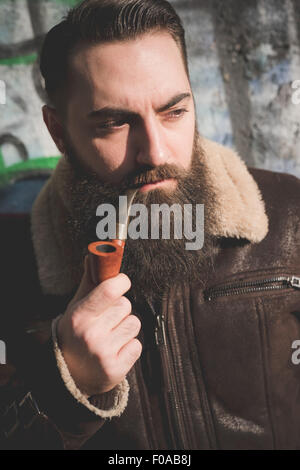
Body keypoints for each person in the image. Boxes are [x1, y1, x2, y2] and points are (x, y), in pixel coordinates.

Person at [1, 0, 300, 450]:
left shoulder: (289, 217)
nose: (156, 153)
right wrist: (64, 385)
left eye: (174, 111)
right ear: (58, 131)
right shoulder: (13, 262)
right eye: (115, 123)